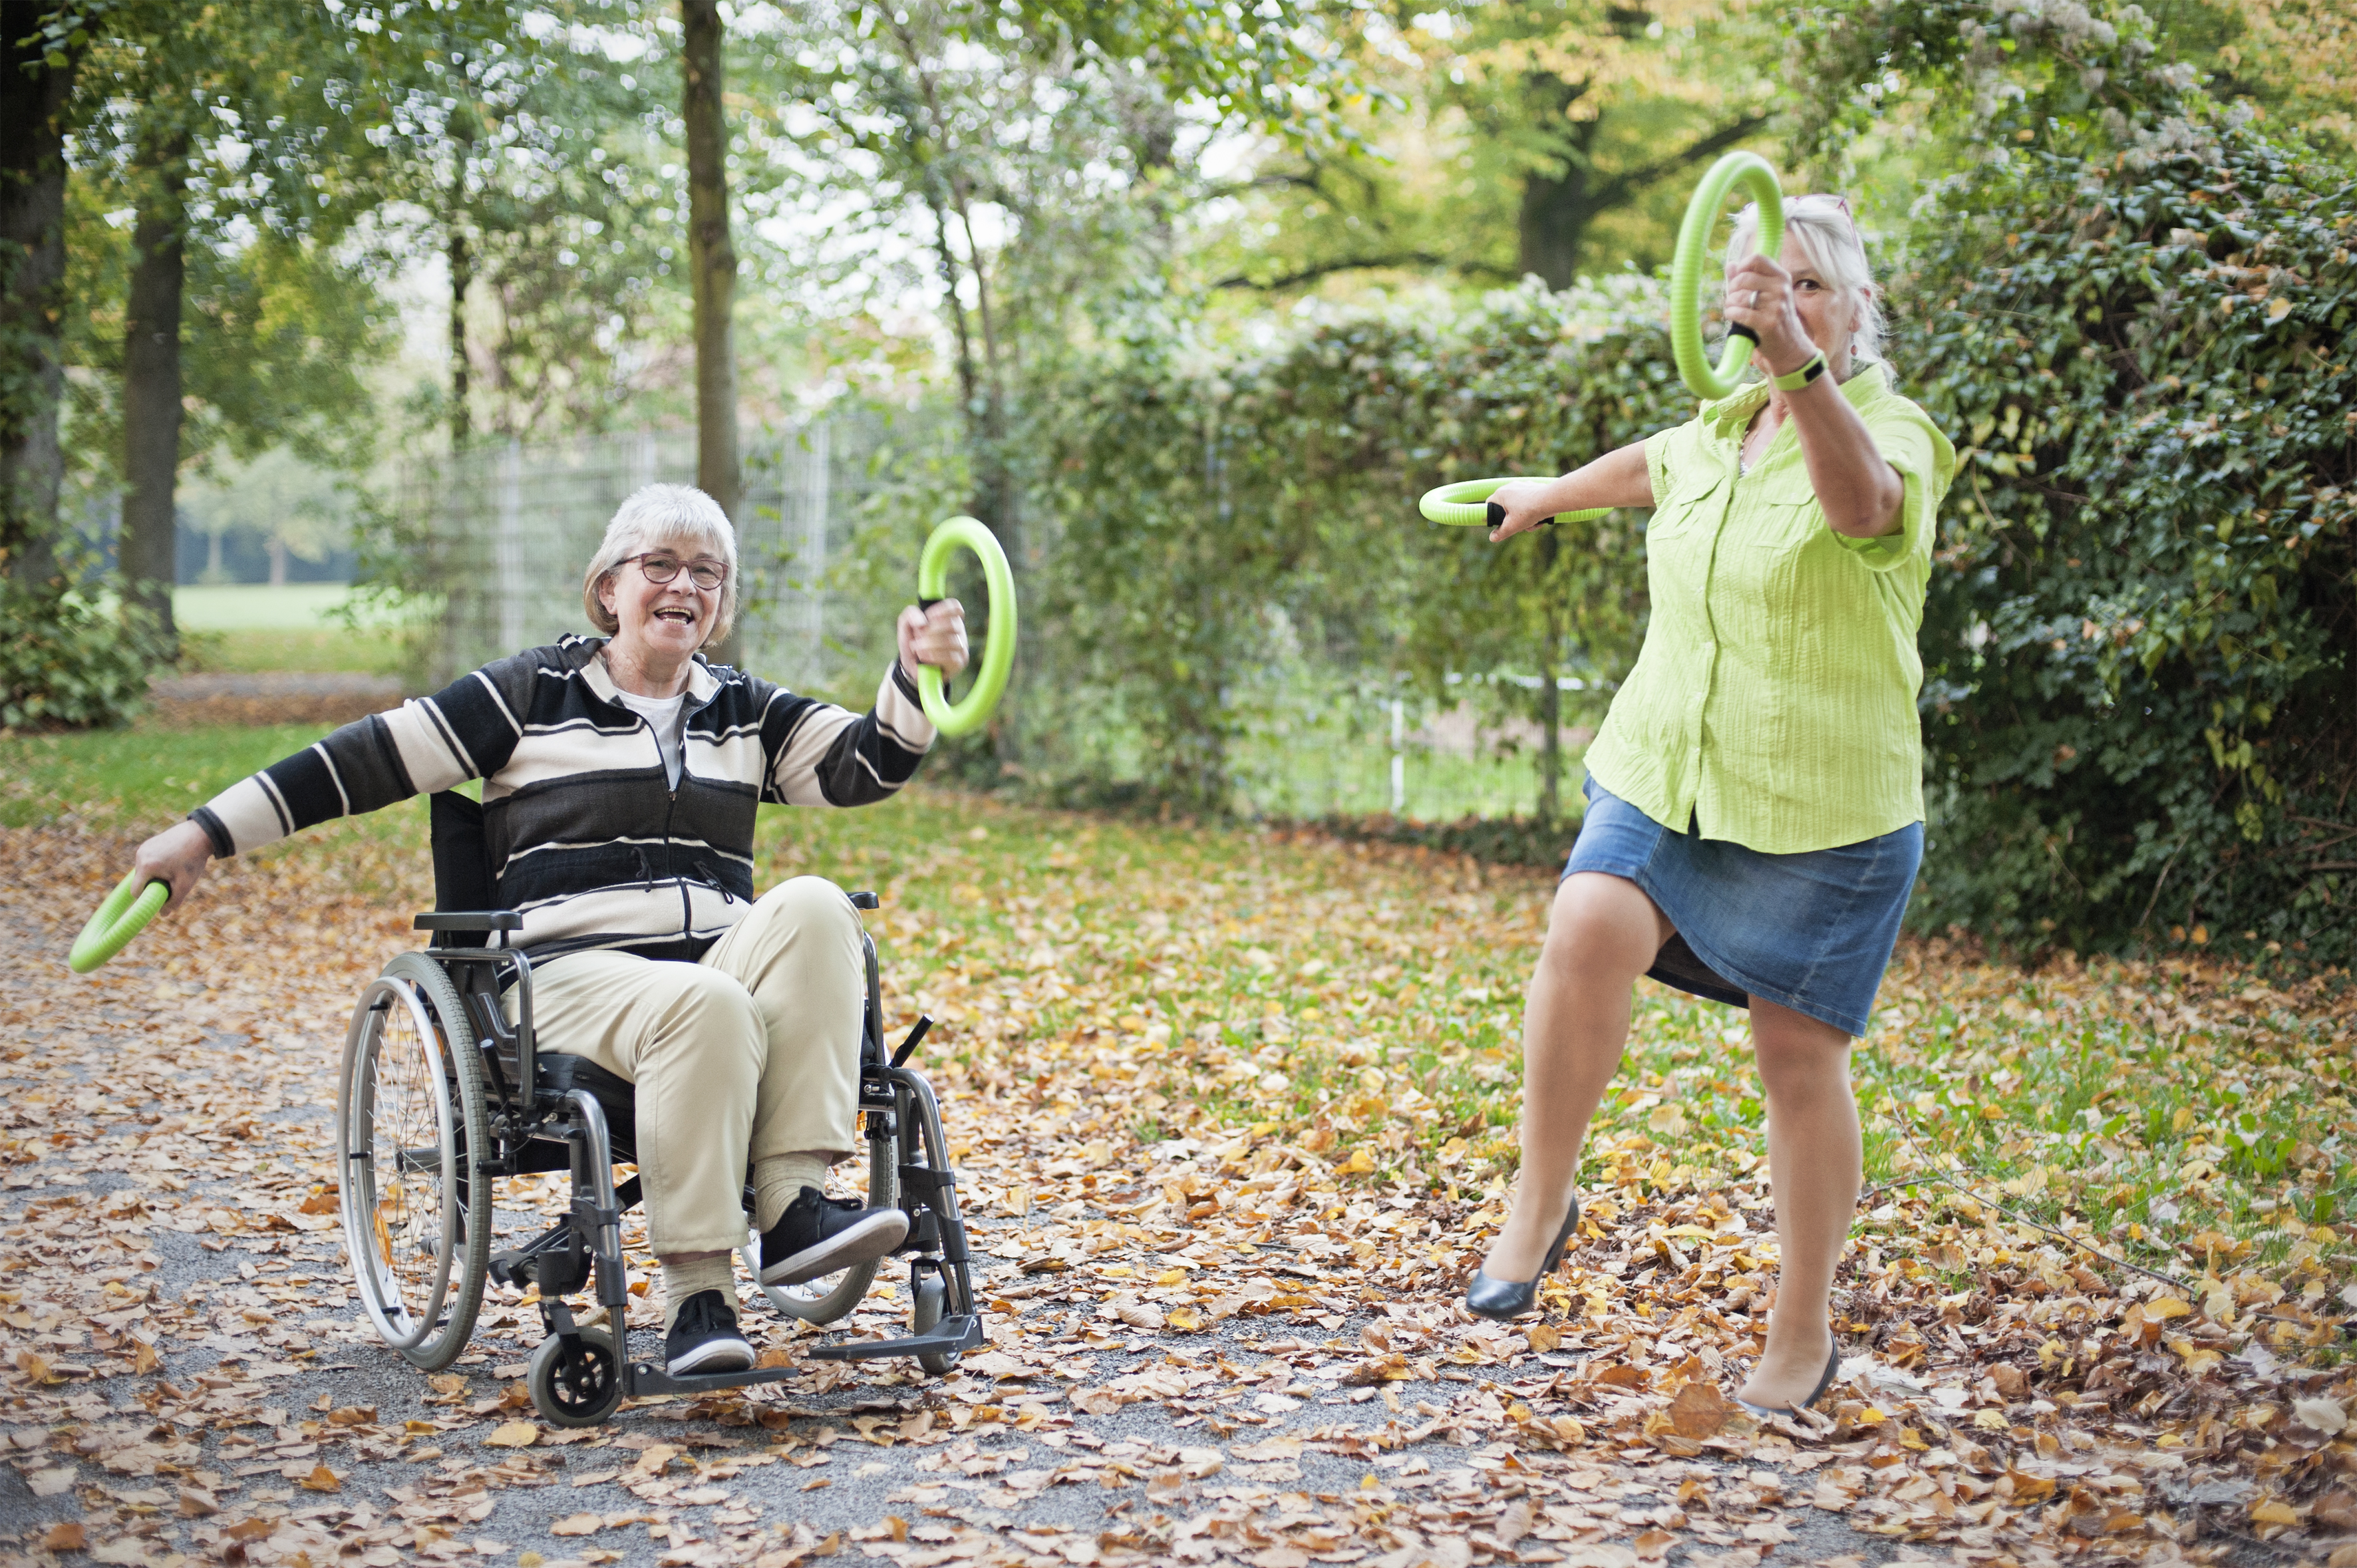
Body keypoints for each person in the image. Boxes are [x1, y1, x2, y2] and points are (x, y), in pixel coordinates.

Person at [126, 484, 969, 1376]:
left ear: (720, 605)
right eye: (660, 565)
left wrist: (917, 671)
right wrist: (205, 832)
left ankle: (794, 1207)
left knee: (816, 905)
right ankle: (699, 1298)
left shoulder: (745, 712)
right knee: (705, 1001)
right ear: (609, 588)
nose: (684, 585)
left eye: (707, 573)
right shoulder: (527, 696)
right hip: (568, 979)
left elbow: (867, 763)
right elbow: (364, 758)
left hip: (714, 970)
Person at [1467, 194, 1957, 1415]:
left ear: (1852, 315)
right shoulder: (1723, 419)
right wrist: (1545, 492)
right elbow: (1654, 466)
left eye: (1811, 290)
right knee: (1584, 926)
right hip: (1667, 765)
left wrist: (1797, 369)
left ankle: (1803, 1325)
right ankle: (1542, 1193)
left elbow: (1862, 511)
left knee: (1796, 1057)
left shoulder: (1893, 432)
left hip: (1825, 803)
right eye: (1765, 290)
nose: (1784, 308)